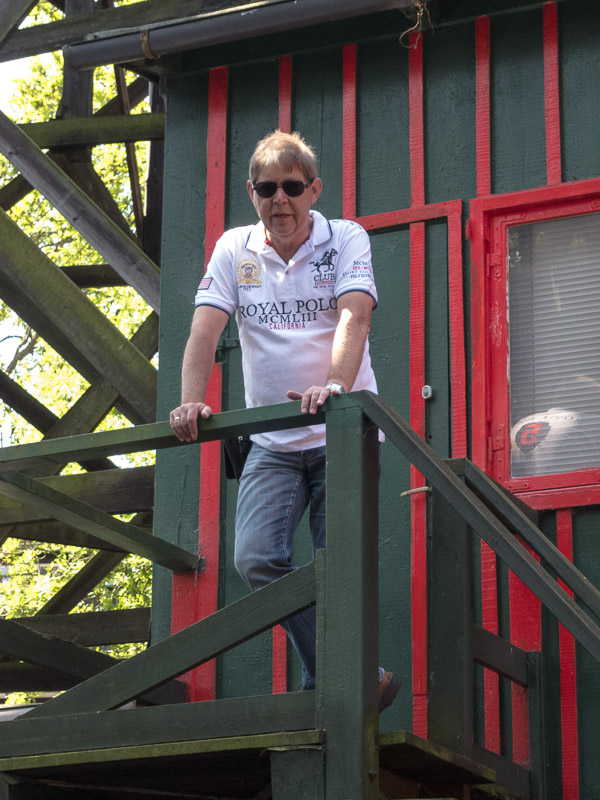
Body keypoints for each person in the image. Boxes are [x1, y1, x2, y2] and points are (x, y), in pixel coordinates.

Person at [170, 130, 400, 711]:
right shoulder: (235, 248)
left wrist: (335, 386)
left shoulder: (344, 238)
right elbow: (204, 329)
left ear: (314, 190)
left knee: (335, 568)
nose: (280, 199)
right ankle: (356, 676)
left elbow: (355, 317)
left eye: (292, 188)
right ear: (251, 192)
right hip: (271, 441)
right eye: (267, 188)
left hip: (342, 432)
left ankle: (328, 694)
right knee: (254, 557)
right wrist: (191, 400)